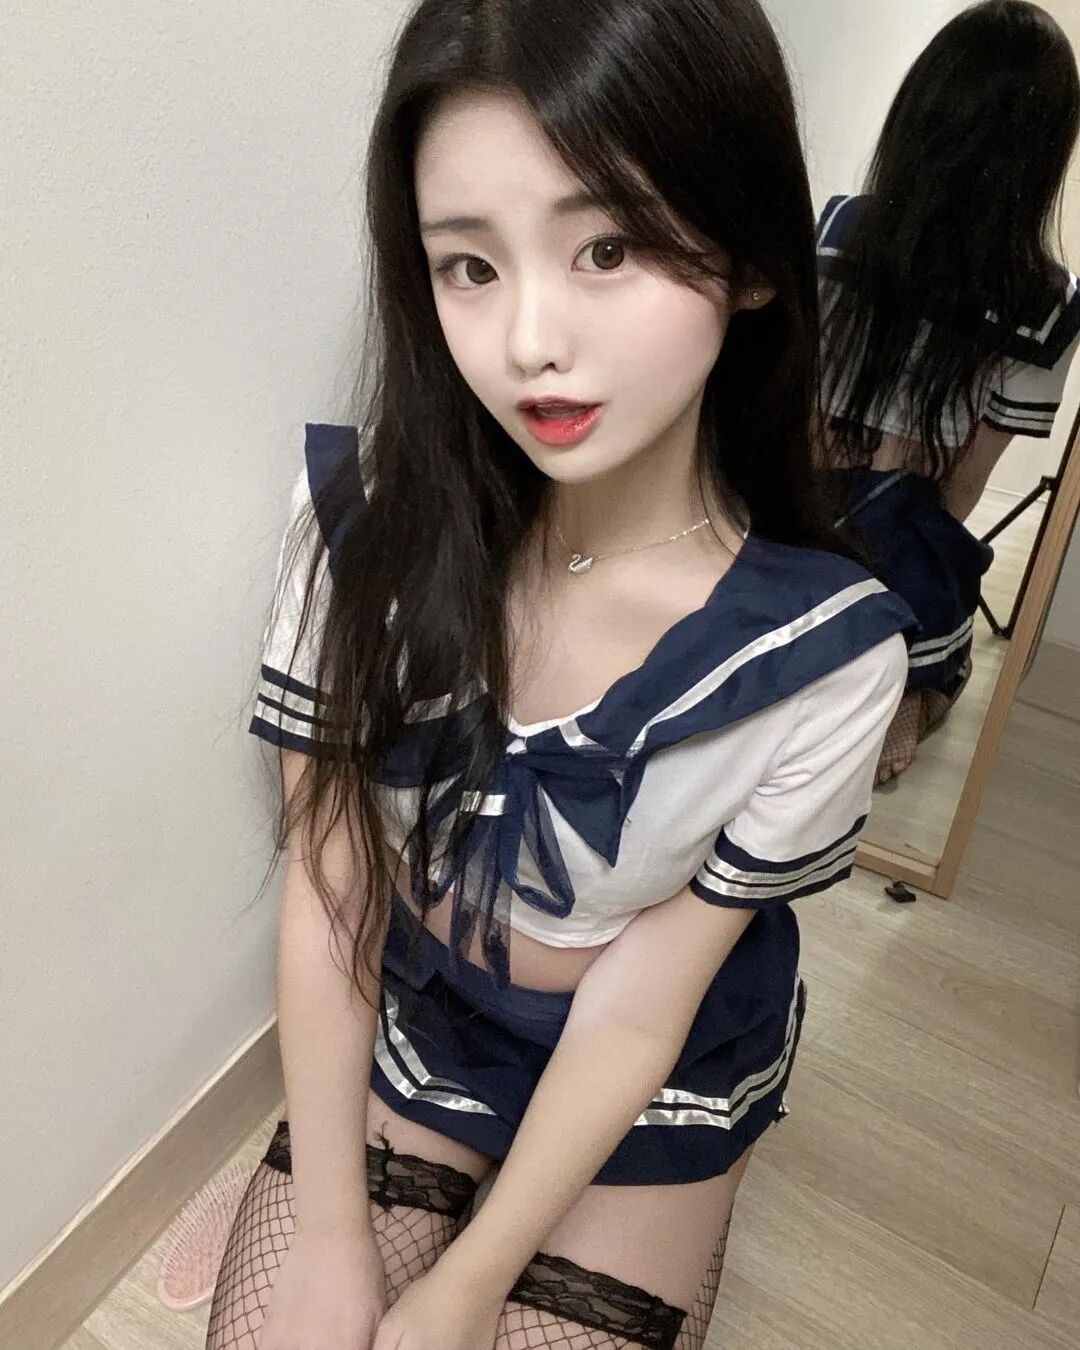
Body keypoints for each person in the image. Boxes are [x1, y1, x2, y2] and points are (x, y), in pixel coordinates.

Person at [206, 1, 913, 1347]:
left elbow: (641, 1009)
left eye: (608, 248)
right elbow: (331, 883)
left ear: (753, 260)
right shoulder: (360, 534)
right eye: (470, 265)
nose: (529, 339)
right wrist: (339, 1239)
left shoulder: (821, 659)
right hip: (428, 1007)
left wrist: (466, 1290)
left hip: (651, 1061)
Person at [816, 0, 1080, 785]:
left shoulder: (842, 227)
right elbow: (964, 479)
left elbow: (804, 406)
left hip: (841, 490)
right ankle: (912, 672)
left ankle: (890, 669)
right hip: (875, 498)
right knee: (918, 537)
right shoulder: (1050, 300)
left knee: (896, 528)